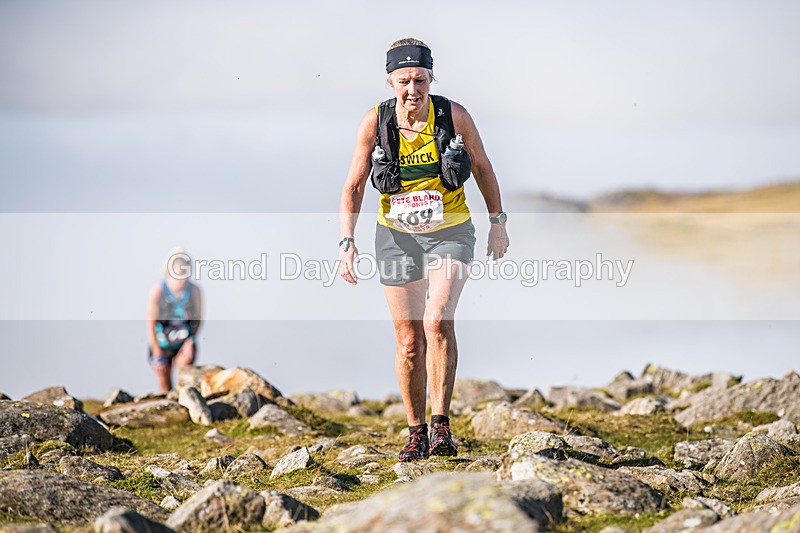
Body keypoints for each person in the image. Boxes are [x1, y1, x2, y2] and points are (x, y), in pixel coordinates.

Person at [338, 38, 509, 461]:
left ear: (431, 78)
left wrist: (497, 223)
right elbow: (354, 186)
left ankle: (441, 426)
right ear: (389, 81)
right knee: (409, 340)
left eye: (419, 79)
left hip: (450, 231)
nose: (412, 89)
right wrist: (347, 242)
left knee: (437, 321)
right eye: (403, 81)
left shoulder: (454, 116)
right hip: (395, 236)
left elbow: (484, 168)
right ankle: (414, 432)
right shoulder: (374, 123)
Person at [147, 247, 202, 393]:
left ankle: (184, 403)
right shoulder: (158, 291)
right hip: (162, 341)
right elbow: (151, 322)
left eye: (186, 272)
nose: (183, 278)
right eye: (179, 272)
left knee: (184, 371)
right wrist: (156, 349)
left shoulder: (194, 291)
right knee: (164, 380)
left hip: (184, 340)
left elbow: (198, 319)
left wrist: (190, 342)